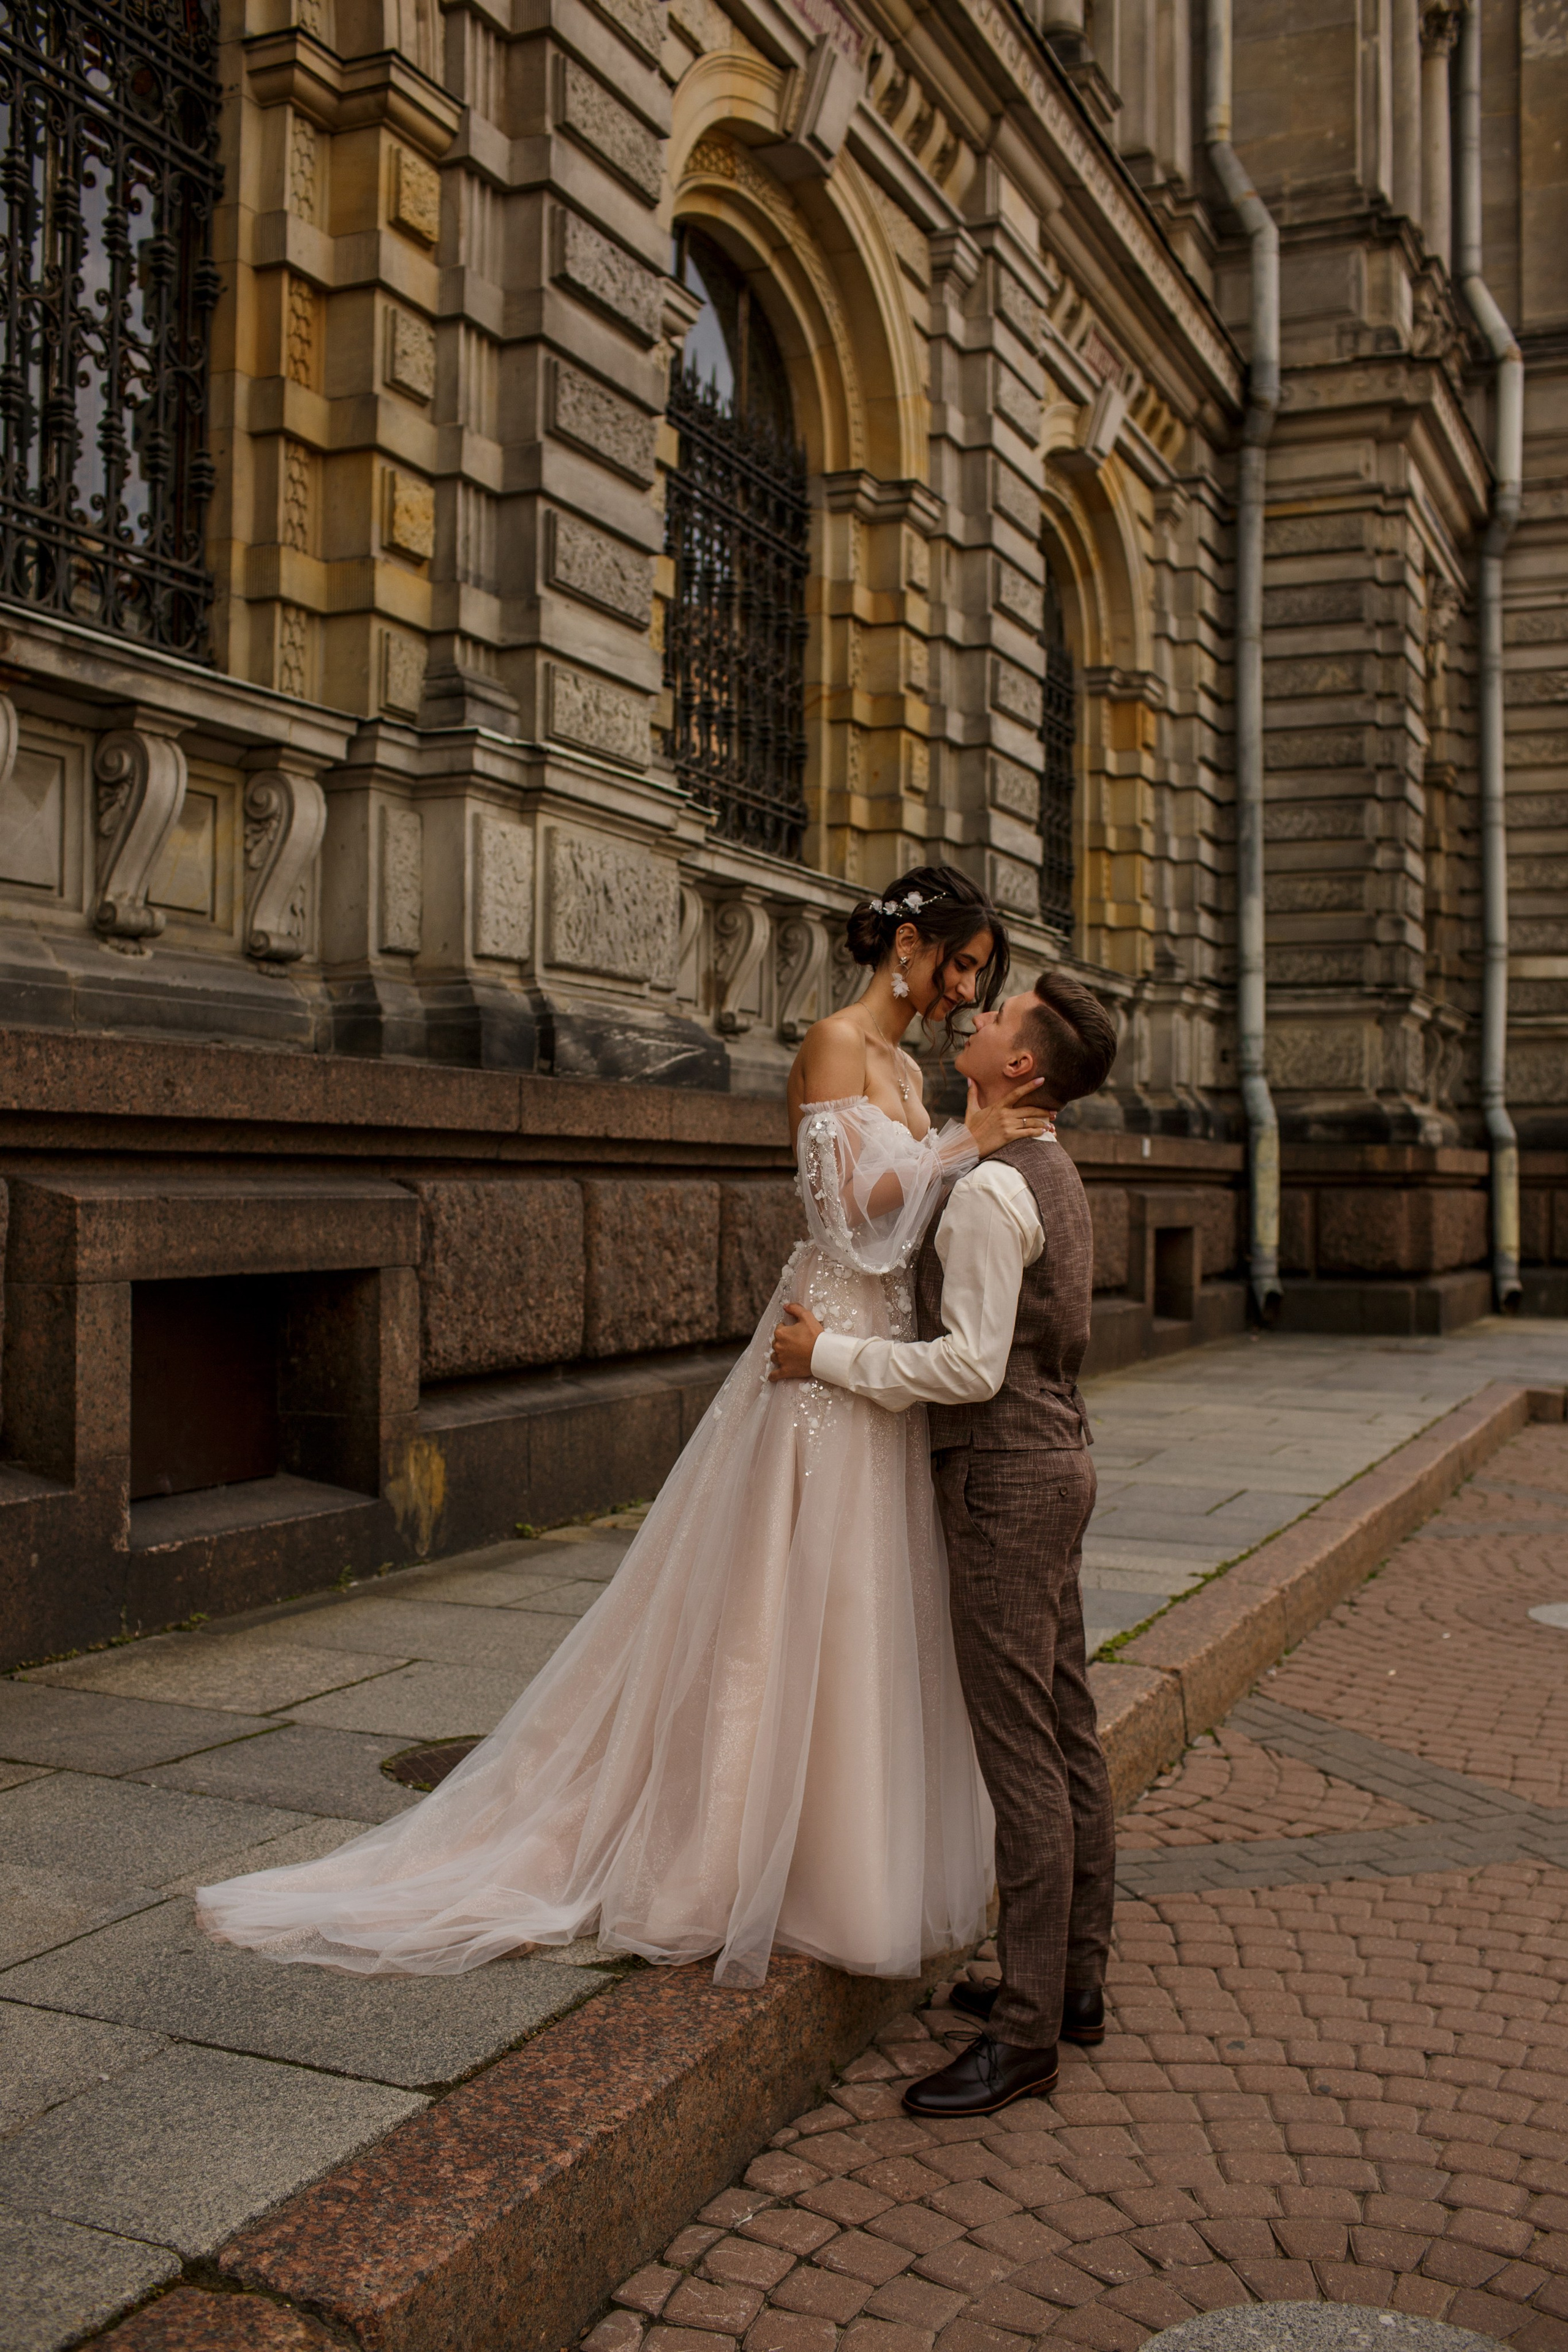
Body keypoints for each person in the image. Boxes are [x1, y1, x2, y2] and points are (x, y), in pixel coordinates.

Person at [196, 865, 1051, 1988]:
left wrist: (966, 1163)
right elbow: (842, 1218)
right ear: (914, 949)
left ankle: (837, 1856)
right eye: (965, 964)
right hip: (822, 1341)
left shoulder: (901, 1067)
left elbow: (917, 1217)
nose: (967, 988)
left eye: (981, 975)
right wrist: (959, 1148)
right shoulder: (837, 1045)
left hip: (873, 1353)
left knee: (863, 1601)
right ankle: (726, 1853)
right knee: (778, 1599)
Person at [770, 968, 1118, 2114]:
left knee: (1021, 1751)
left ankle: (1024, 2038)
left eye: (998, 1016)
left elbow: (968, 1367)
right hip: (1059, 1461)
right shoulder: (1047, 1170)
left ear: (1022, 1064)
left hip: (1005, 1482)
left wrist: (827, 1359)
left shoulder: (986, 1195)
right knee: (1067, 1728)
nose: (975, 1014)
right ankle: (1070, 1986)